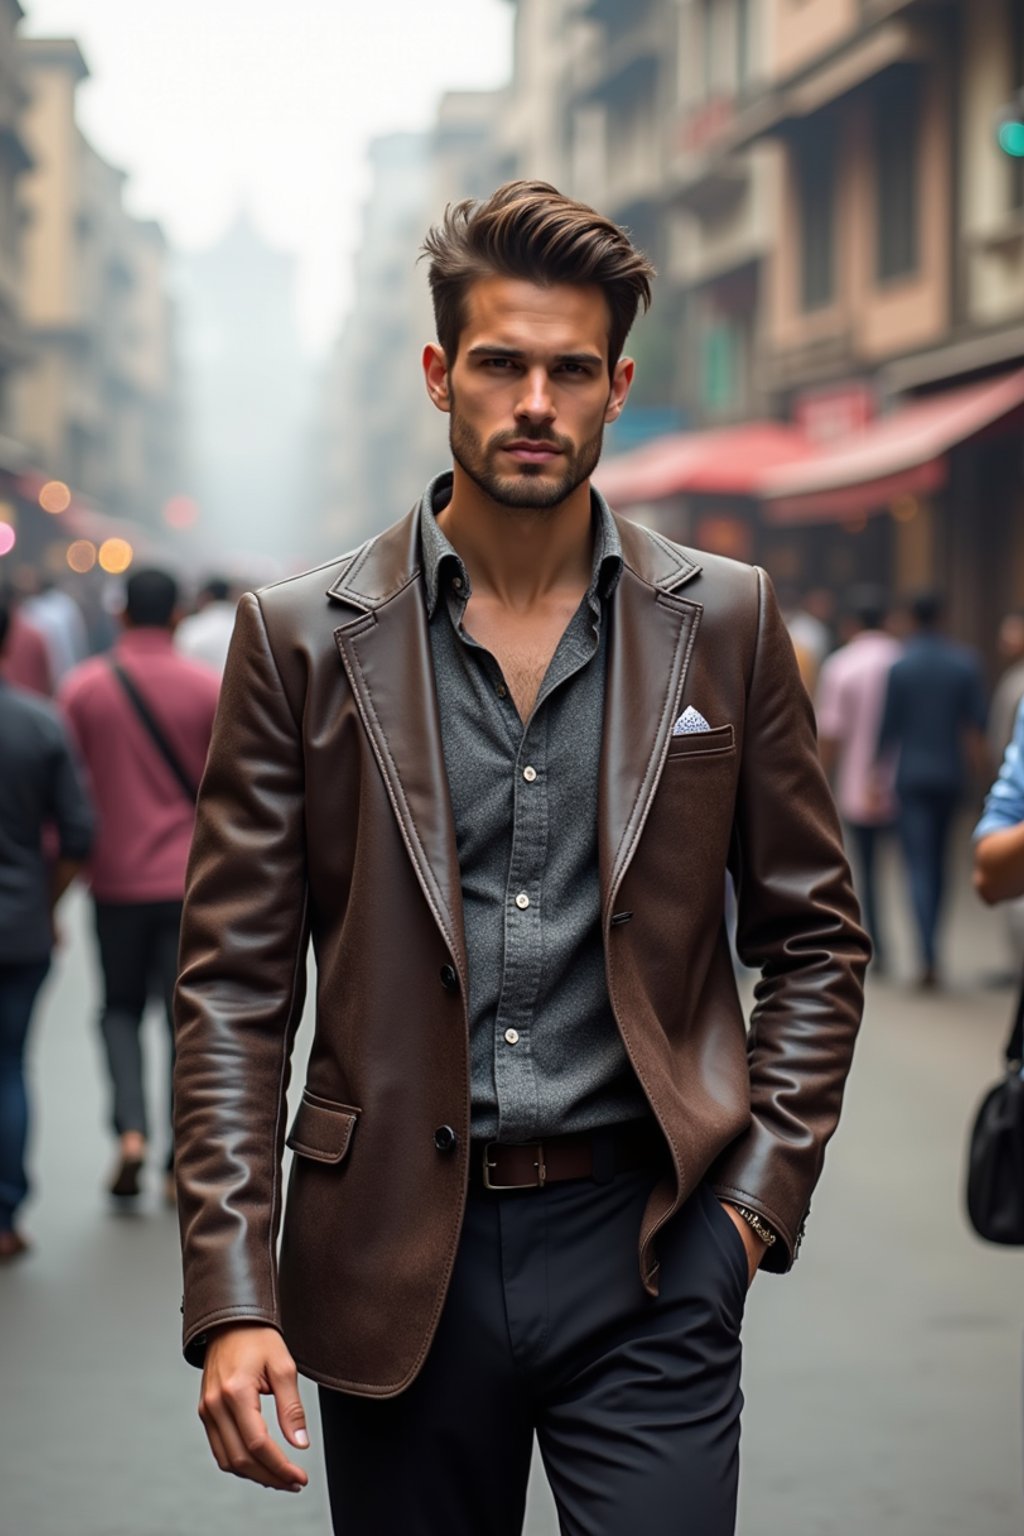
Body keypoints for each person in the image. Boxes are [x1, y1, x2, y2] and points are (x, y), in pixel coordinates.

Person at [174, 181, 868, 1536]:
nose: (534, 402)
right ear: (441, 375)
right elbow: (233, 990)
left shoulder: (726, 621)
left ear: (616, 386)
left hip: (653, 1252)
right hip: (392, 1255)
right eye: (500, 364)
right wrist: (232, 1293)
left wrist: (753, 1208)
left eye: (568, 370)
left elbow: (816, 939)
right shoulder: (300, 640)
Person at [60, 568, 219, 1203]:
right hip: (189, 884)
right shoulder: (208, 689)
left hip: (116, 882)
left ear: (123, 615)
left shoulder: (84, 689)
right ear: (177, 616)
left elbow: (66, 791)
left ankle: (130, 1134)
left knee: (119, 1010)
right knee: (186, 1020)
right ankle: (182, 1156)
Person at [0, 594, 94, 1259]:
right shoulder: (38, 724)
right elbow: (80, 833)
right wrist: (50, 903)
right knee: (8, 1066)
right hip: (19, 924)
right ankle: (3, 1215)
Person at [875, 590, 988, 988]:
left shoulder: (901, 667)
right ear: (943, 616)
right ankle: (932, 947)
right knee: (941, 865)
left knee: (918, 864)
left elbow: (887, 730)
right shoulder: (964, 664)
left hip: (912, 775)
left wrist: (875, 775)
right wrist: (984, 781)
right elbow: (976, 730)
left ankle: (926, 953)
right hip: (951, 775)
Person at [816, 586, 902, 970]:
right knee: (920, 864)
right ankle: (928, 951)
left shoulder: (841, 665)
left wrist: (820, 782)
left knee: (865, 871)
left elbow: (830, 734)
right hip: (906, 781)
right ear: (886, 621)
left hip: (856, 782)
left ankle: (877, 947)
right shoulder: (903, 659)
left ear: (851, 624)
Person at [175, 576, 237, 675]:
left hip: (197, 685)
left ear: (207, 596)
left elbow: (180, 657)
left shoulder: (191, 625)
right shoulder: (241, 625)